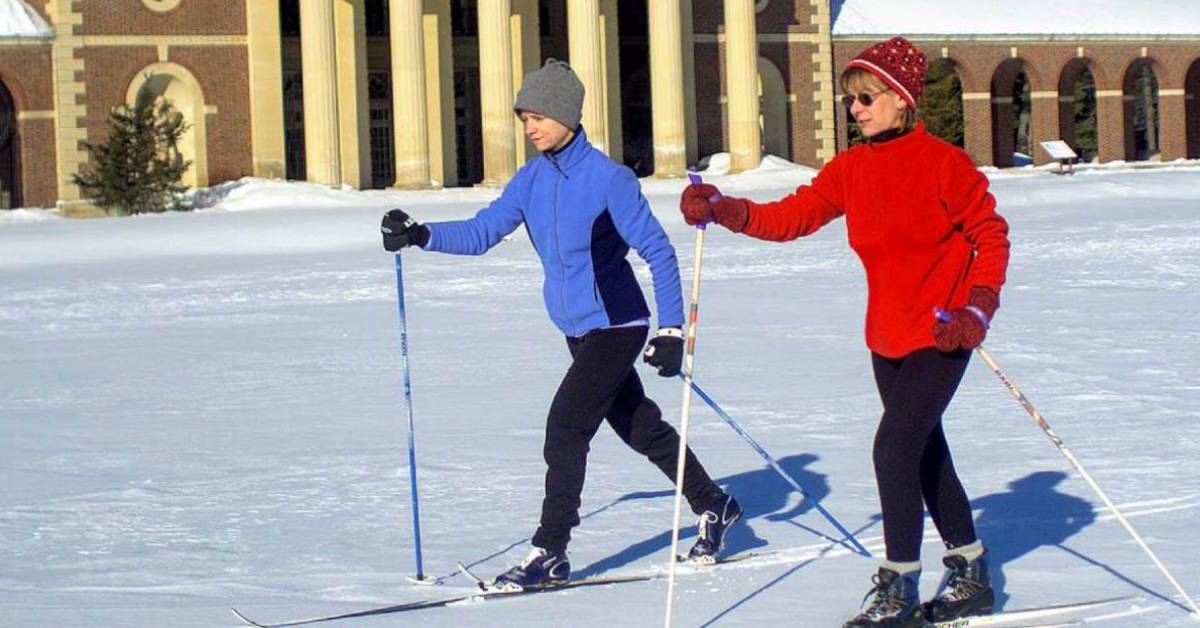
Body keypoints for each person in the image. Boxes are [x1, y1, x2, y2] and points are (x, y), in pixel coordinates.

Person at [678, 37, 1009, 628]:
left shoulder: (943, 164)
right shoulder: (852, 169)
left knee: (893, 448)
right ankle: (970, 571)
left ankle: (898, 589)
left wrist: (976, 309)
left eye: (866, 97)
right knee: (924, 452)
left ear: (901, 99)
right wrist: (725, 208)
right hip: (887, 338)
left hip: (942, 334)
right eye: (849, 98)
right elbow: (792, 216)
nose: (854, 108)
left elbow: (991, 236)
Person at [381, 59, 741, 591]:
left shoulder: (609, 180)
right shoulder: (529, 181)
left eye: (539, 116)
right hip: (576, 331)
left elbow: (659, 253)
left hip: (618, 324)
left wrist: (671, 331)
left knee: (565, 428)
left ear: (568, 114)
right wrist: (421, 235)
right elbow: (483, 232)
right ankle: (715, 504)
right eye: (524, 117)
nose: (530, 127)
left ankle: (550, 551)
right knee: (639, 427)